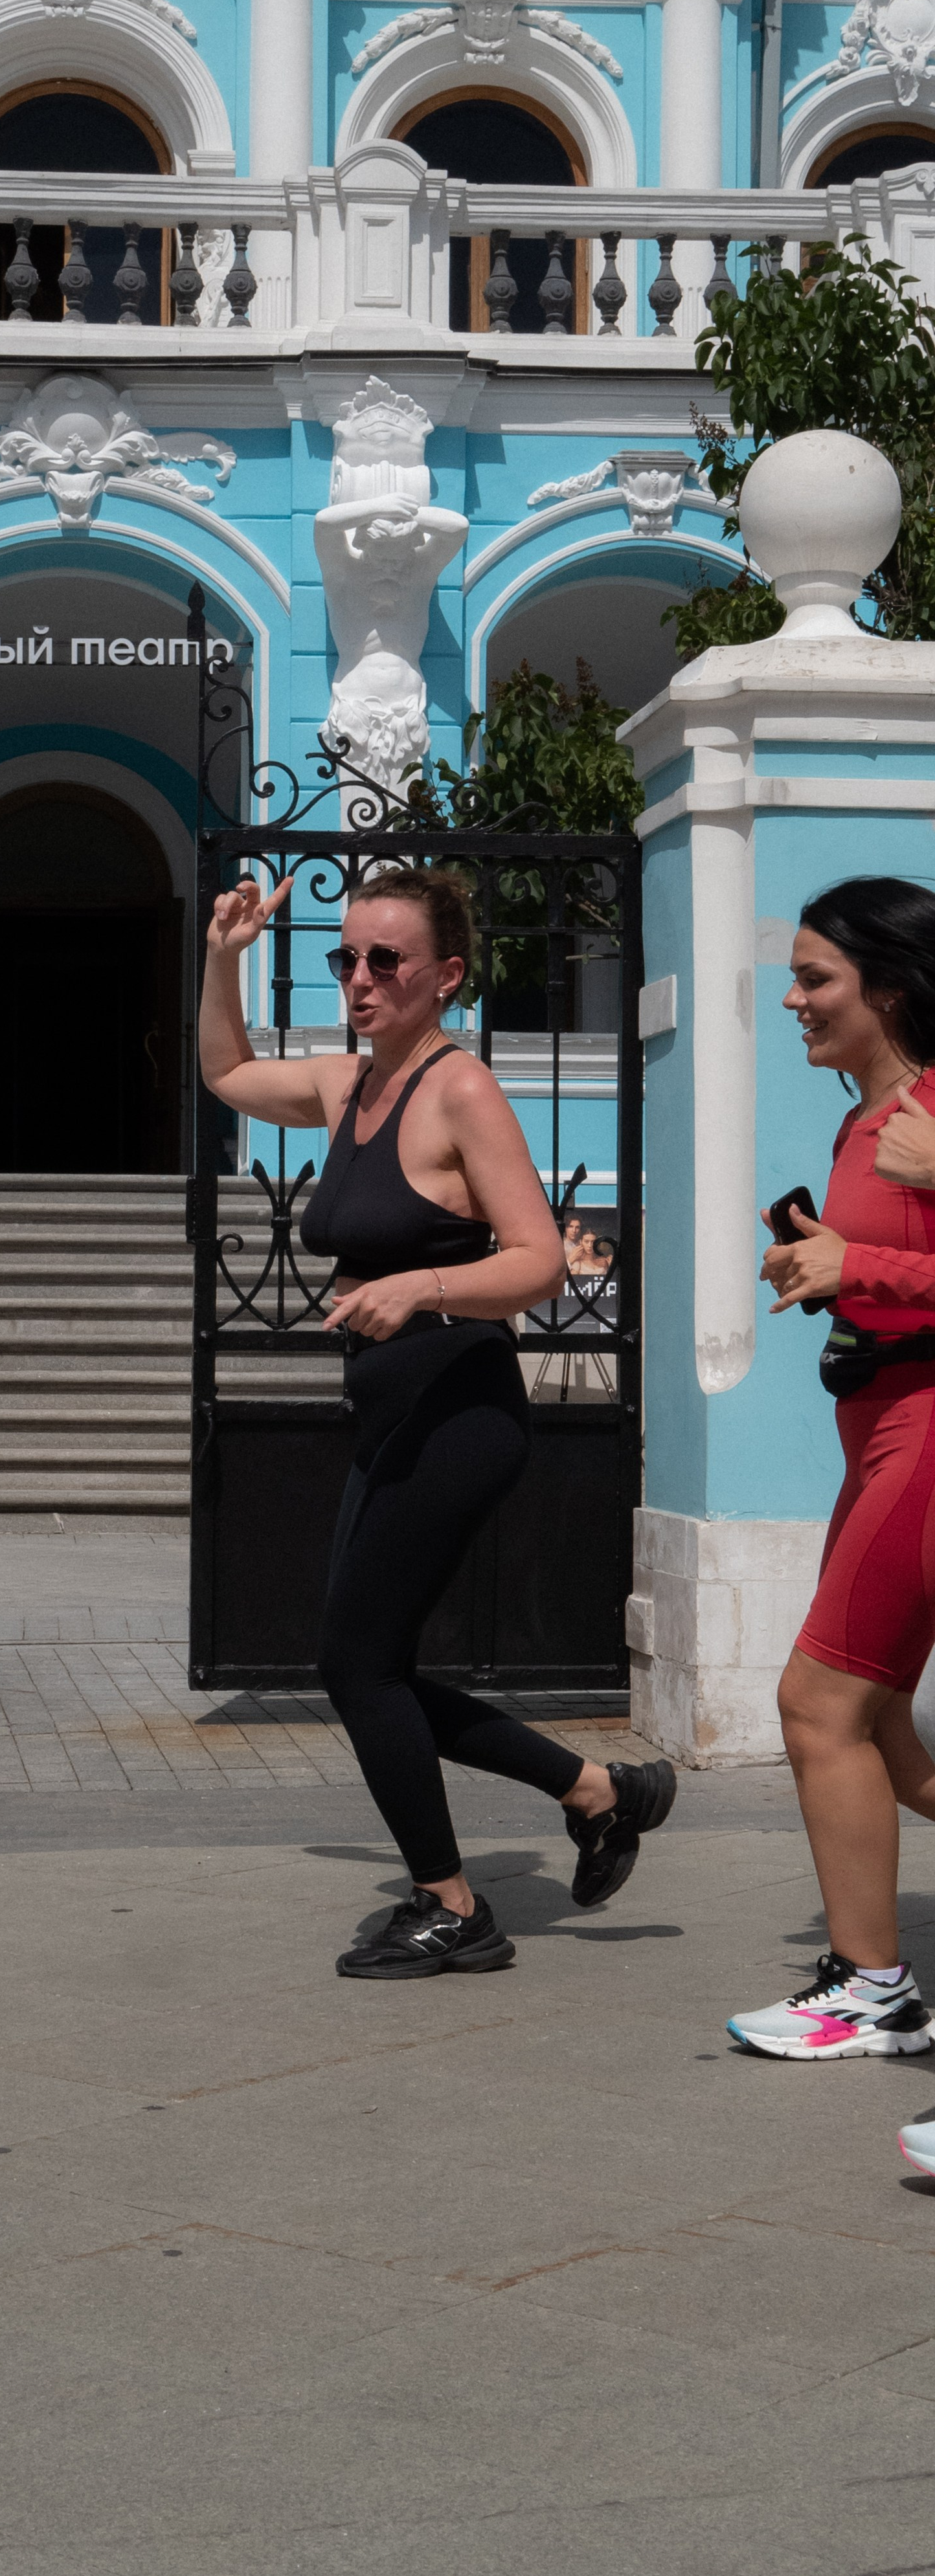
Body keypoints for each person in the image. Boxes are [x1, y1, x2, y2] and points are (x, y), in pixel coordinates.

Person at [199, 859, 676, 1981]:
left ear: (446, 975)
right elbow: (224, 1068)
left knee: (356, 1664)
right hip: (394, 1420)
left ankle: (453, 1905)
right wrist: (222, 956)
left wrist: (419, 1290)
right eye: (345, 959)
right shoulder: (351, 1087)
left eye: (385, 961)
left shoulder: (459, 1091)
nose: (359, 981)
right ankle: (600, 1793)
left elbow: (541, 1260)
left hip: (461, 1418)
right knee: (371, 1665)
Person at [725, 879, 935, 2113]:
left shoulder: (925, 1114)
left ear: (890, 989)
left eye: (817, 980)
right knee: (882, 1726)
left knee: (819, 1703)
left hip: (927, 1428)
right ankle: (873, 1988)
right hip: (877, 1430)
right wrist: (827, 1266)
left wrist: (866, 1263)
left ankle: (873, 1990)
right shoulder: (867, 1120)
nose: (795, 1000)